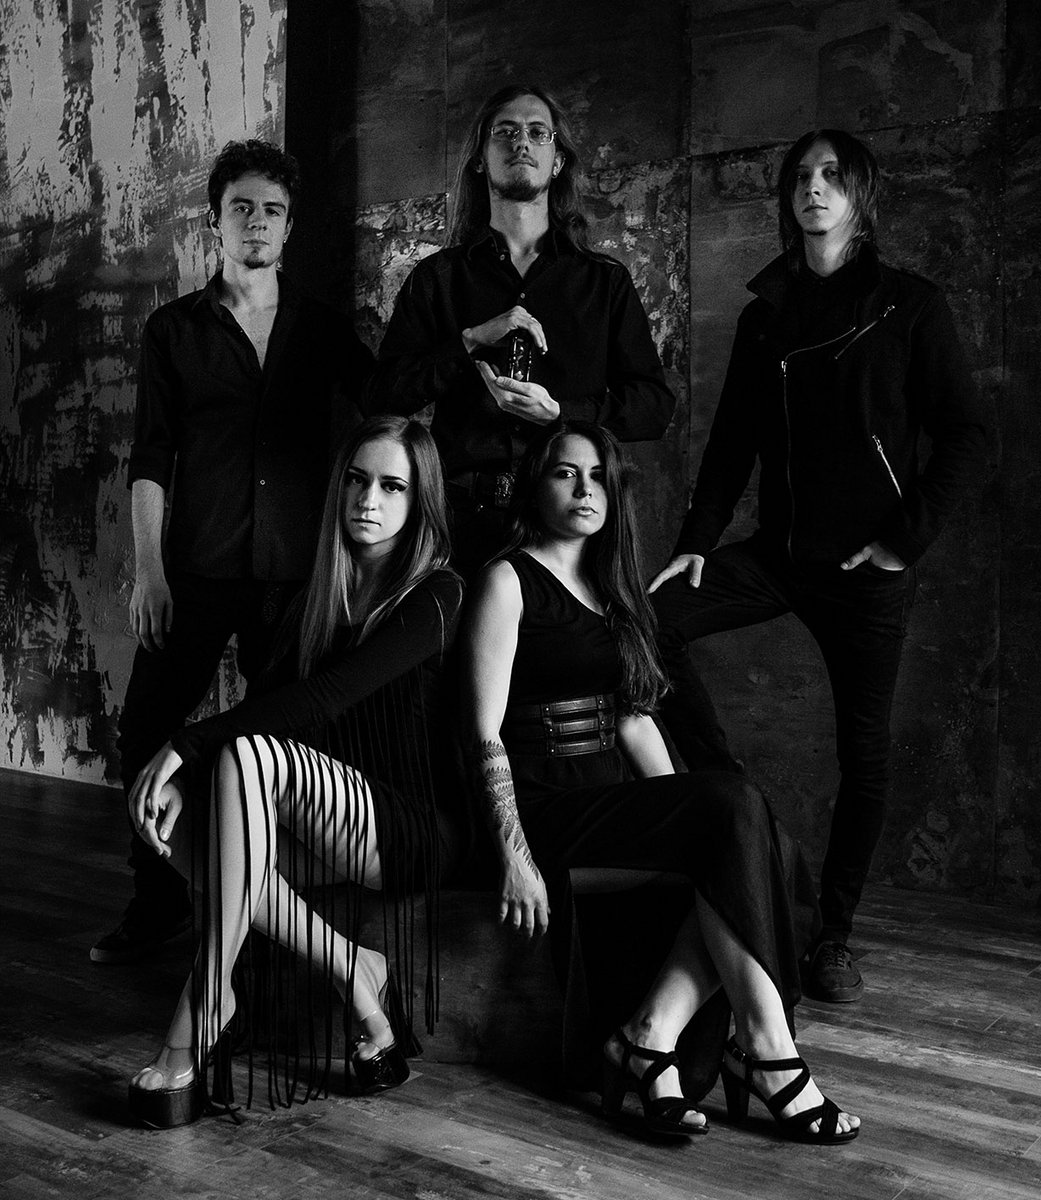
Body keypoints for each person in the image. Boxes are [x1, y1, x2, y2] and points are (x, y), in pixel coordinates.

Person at [648, 129, 988, 1004]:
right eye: (800, 176)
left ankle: (831, 936)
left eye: (831, 175)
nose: (813, 188)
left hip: (867, 570)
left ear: (859, 195)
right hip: (780, 554)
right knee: (648, 624)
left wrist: (903, 541)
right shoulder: (765, 314)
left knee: (863, 756)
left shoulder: (909, 305)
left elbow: (965, 434)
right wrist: (695, 541)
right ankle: (731, 800)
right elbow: (730, 442)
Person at [462, 420, 859, 1145]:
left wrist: (693, 819)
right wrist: (513, 855)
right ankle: (765, 1053)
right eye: (564, 473)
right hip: (544, 810)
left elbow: (633, 719)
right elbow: (483, 732)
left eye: (598, 477)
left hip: (605, 801)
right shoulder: (507, 580)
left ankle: (648, 1037)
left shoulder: (612, 591)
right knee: (728, 811)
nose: (584, 489)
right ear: (535, 486)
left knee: (764, 841)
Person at [122, 415, 463, 1127]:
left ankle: (204, 1001)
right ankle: (354, 967)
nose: (368, 499)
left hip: (402, 827)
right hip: (314, 817)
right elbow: (266, 705)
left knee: (244, 754)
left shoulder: (437, 595)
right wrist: (186, 778)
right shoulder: (313, 595)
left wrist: (186, 742)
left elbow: (324, 699)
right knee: (174, 816)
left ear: (420, 501)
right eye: (357, 480)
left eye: (392, 486)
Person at [92, 140, 375, 965]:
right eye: (241, 208)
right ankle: (157, 903)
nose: (257, 222)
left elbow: (390, 406)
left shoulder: (321, 329)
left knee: (281, 746)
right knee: (145, 729)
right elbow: (151, 458)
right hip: (195, 569)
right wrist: (149, 573)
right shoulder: (173, 330)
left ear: (289, 227)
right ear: (214, 221)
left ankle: (271, 907)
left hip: (295, 577)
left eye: (272, 210)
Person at [372, 83, 675, 573]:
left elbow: (654, 407)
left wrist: (561, 414)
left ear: (557, 161)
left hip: (572, 526)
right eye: (506, 132)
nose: (522, 143)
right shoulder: (437, 278)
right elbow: (382, 396)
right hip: (461, 525)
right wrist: (468, 342)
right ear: (480, 159)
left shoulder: (604, 281)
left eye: (538, 133)